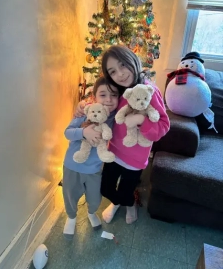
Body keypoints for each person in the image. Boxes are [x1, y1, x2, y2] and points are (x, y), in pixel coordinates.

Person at [75, 45, 170, 225]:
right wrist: (83, 105)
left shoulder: (148, 91)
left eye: (122, 65)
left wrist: (141, 120)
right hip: (114, 152)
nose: (120, 74)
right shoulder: (117, 89)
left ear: (132, 61)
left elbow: (163, 125)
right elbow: (103, 103)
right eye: (113, 71)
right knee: (106, 188)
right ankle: (118, 201)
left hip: (135, 159)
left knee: (127, 191)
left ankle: (130, 203)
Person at [62, 76, 119, 239]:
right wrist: (83, 132)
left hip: (94, 169)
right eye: (103, 94)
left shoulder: (115, 118)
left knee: (95, 197)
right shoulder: (85, 112)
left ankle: (91, 212)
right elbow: (67, 132)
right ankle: (71, 217)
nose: (108, 99)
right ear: (93, 97)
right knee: (70, 195)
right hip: (72, 165)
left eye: (114, 95)